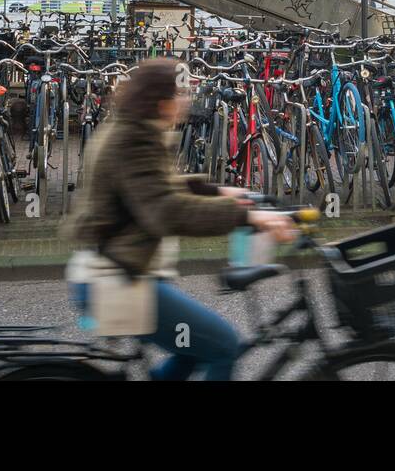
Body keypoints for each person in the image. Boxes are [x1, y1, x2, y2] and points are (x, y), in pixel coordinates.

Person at [67, 59, 295, 379]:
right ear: (163, 103)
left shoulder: (135, 129)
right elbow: (167, 211)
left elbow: (156, 187)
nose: (188, 100)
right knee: (222, 345)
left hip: (119, 272)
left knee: (191, 349)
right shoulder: (134, 140)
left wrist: (219, 192)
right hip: (117, 281)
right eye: (183, 93)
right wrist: (248, 216)